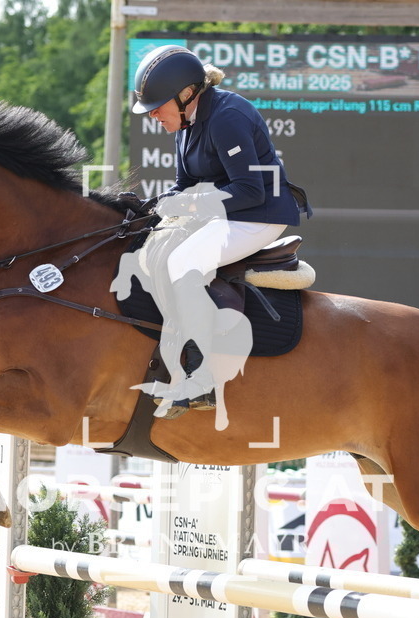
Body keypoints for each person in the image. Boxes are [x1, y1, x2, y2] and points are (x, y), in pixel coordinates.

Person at [128, 44, 309, 416]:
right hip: (225, 214)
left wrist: (190, 205)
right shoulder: (184, 123)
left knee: (185, 263)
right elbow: (183, 184)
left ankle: (204, 378)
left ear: (185, 94)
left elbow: (249, 190)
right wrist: (156, 205)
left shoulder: (227, 117)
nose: (153, 117)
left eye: (156, 108)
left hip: (258, 214)